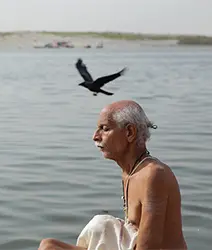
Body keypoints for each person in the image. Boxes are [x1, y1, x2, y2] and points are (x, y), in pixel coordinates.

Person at [38, 100, 187, 250]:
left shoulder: (153, 175)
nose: (95, 136)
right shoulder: (130, 172)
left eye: (105, 129)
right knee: (49, 245)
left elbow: (148, 247)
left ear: (130, 132)